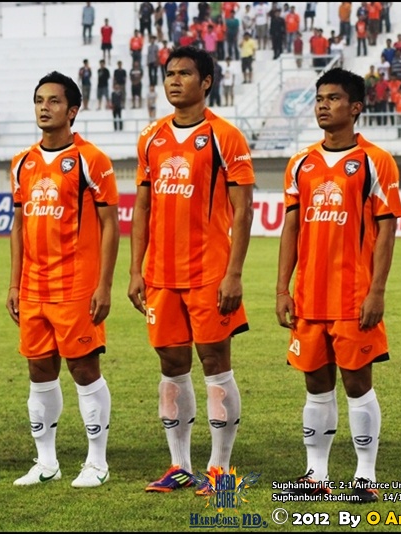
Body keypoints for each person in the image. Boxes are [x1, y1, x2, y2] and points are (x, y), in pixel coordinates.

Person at [128, 46, 254, 493]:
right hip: (161, 276)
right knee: (171, 364)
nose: (174, 80)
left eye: (184, 73)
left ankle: (220, 469)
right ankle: (179, 465)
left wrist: (234, 273)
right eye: (169, 73)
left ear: (206, 82)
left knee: (215, 363)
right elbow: (142, 207)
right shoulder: (151, 137)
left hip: (209, 272)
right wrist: (135, 270)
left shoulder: (225, 136)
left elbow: (243, 209)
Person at [275, 68, 401, 504]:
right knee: (315, 385)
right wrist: (282, 289)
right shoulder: (301, 163)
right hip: (309, 298)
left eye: (333, 98)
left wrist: (377, 291)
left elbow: (386, 231)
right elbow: (291, 228)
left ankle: (365, 476)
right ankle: (316, 475)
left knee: (357, 383)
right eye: (319, 99)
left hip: (353, 296)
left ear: (356, 107)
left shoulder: (375, 161)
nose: (323, 106)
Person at [7, 70, 119, 488]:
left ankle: (97, 462)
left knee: (84, 370)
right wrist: (15, 284)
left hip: (76, 286)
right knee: (39, 371)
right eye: (39, 100)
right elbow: (18, 226)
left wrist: (103, 285)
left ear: (72, 111)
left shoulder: (91, 160)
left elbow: (110, 225)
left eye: (53, 101)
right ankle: (46, 462)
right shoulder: (22, 163)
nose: (44, 107)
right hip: (34, 287)